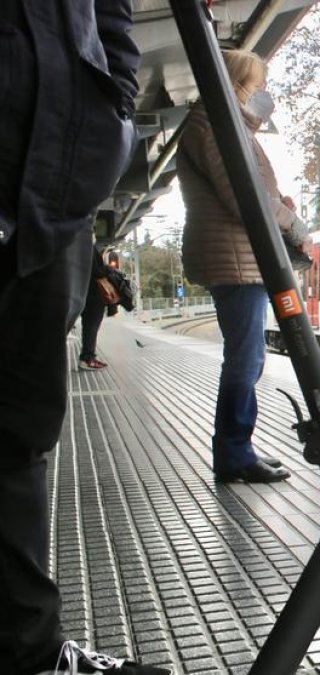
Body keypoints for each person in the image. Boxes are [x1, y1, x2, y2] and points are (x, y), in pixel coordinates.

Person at [0, 1, 170, 674]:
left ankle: (29, 651)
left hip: (53, 192)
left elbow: (110, 25)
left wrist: (109, 118)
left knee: (21, 432)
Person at [178, 49, 307, 484]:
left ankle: (240, 447)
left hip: (240, 255)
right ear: (236, 83)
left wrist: (281, 206)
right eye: (254, 84)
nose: (260, 92)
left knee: (247, 357)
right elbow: (242, 196)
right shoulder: (213, 124)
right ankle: (234, 454)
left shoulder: (225, 124)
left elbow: (250, 187)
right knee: (245, 358)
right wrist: (292, 221)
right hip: (233, 256)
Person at [78, 249, 113, 371]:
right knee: (91, 327)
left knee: (88, 327)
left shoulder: (76, 247)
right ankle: (87, 359)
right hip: (93, 295)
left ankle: (88, 357)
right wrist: (108, 269)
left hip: (82, 292)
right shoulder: (88, 247)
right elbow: (98, 272)